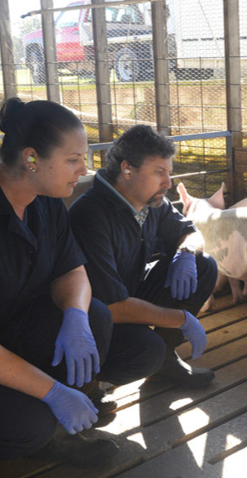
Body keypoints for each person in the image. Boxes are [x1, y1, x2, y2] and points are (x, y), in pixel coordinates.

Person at [0, 98, 118, 466]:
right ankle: (44, 432)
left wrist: (75, 317)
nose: (85, 169)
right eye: (73, 160)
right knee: (29, 427)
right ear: (31, 158)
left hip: (14, 331)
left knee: (94, 314)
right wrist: (52, 391)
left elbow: (71, 269)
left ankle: (64, 429)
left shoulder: (45, 199)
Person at [69, 125, 218, 389]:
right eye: (159, 173)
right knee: (146, 352)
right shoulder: (91, 215)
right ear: (127, 170)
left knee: (202, 264)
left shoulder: (152, 201)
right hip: (96, 317)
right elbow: (110, 306)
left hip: (131, 291)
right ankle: (86, 386)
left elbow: (191, 232)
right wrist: (181, 319)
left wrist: (184, 252)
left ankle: (166, 361)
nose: (168, 183)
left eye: (169, 173)